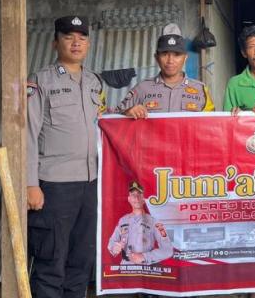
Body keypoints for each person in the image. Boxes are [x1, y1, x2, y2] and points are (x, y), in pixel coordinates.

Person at [26, 15, 106, 298]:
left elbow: (103, 124)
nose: (76, 43)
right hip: (54, 186)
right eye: (68, 37)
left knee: (81, 259)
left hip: (90, 184)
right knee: (51, 260)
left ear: (89, 44)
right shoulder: (40, 81)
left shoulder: (94, 82)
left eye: (82, 38)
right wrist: (30, 183)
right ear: (55, 42)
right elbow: (26, 133)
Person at [117, 23, 214, 117]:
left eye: (176, 54)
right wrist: (127, 113)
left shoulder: (201, 90)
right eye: (164, 54)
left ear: (185, 58)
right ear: (156, 58)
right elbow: (113, 118)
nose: (170, 60)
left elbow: (213, 123)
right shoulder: (142, 88)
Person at [107, 180, 173, 265]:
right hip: (125, 267)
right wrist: (114, 247)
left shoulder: (154, 222)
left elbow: (168, 250)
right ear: (129, 199)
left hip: (145, 267)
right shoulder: (123, 220)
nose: (136, 198)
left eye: (139, 194)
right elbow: (112, 242)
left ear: (144, 199)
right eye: (133, 195)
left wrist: (145, 257)